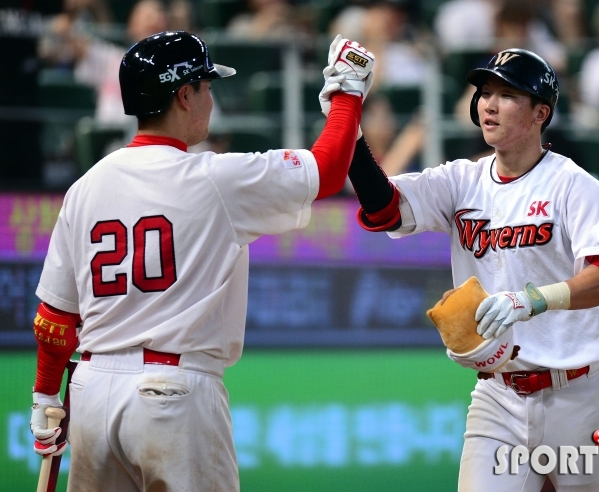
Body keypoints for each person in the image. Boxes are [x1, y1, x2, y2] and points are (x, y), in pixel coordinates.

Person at [29, 31, 374, 492]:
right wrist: (348, 92)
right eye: (207, 87)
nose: (212, 98)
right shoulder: (214, 177)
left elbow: (55, 318)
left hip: (90, 391)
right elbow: (328, 170)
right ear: (184, 94)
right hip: (172, 394)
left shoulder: (85, 186)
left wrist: (45, 394)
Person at [333, 49, 599, 490]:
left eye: (507, 94)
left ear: (540, 113)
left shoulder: (575, 186)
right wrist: (349, 125)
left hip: (581, 391)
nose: (489, 104)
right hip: (498, 395)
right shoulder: (462, 181)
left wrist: (532, 300)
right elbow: (383, 208)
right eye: (485, 92)